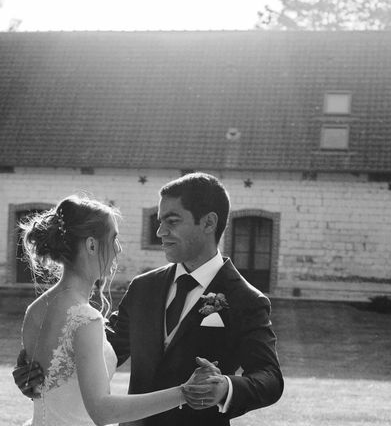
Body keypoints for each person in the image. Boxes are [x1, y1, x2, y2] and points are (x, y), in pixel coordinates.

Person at [15, 174, 284, 425]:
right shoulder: (144, 287)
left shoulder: (246, 299)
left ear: (209, 223)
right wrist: (40, 364)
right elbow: (103, 344)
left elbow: (270, 377)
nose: (160, 232)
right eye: (159, 221)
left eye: (172, 221)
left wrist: (226, 387)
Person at [16, 194, 211, 426]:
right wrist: (185, 392)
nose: (118, 250)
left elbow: (44, 384)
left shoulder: (35, 309)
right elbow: (103, 411)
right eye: (114, 238)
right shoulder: (85, 318)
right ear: (91, 244)